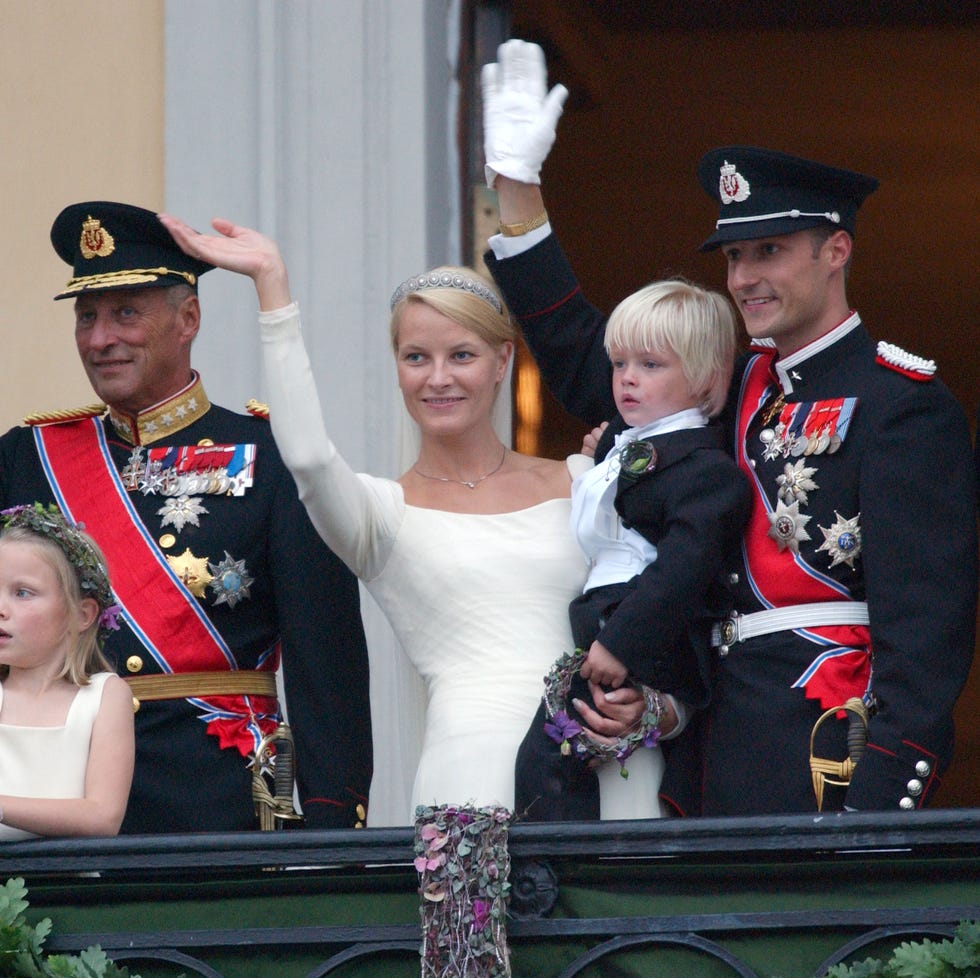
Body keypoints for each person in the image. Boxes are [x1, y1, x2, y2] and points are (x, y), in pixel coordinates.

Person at [480, 40, 978, 815]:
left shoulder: (898, 400)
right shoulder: (732, 382)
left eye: (770, 252)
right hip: (711, 751)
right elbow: (594, 363)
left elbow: (926, 633)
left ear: (836, 250)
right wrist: (519, 195)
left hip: (825, 754)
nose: (744, 277)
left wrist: (879, 804)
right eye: (735, 255)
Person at [157, 210, 628, 820]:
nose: (438, 379)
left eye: (461, 355)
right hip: (475, 782)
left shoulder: (580, 479)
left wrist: (660, 710)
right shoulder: (379, 516)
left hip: (612, 768)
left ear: (502, 360)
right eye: (416, 358)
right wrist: (272, 290)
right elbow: (305, 455)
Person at [0, 202, 372, 833]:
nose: (99, 338)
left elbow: (324, 655)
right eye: (86, 317)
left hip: (215, 799)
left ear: (188, 318)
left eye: (126, 313)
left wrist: (333, 822)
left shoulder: (271, 456)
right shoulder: (25, 456)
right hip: (51, 797)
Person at [514, 279, 751, 822]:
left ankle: (556, 880)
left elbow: (682, 569)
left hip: (646, 636)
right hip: (612, 629)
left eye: (651, 365)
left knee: (545, 763)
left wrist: (622, 643)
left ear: (704, 376)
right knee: (563, 762)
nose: (627, 379)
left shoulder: (705, 469)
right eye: (619, 364)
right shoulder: (629, 448)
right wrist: (606, 455)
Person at [0, 503, 133, 840]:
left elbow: (103, 817)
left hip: (71, 887)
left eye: (22, 593)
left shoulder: (104, 696)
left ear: (82, 614)